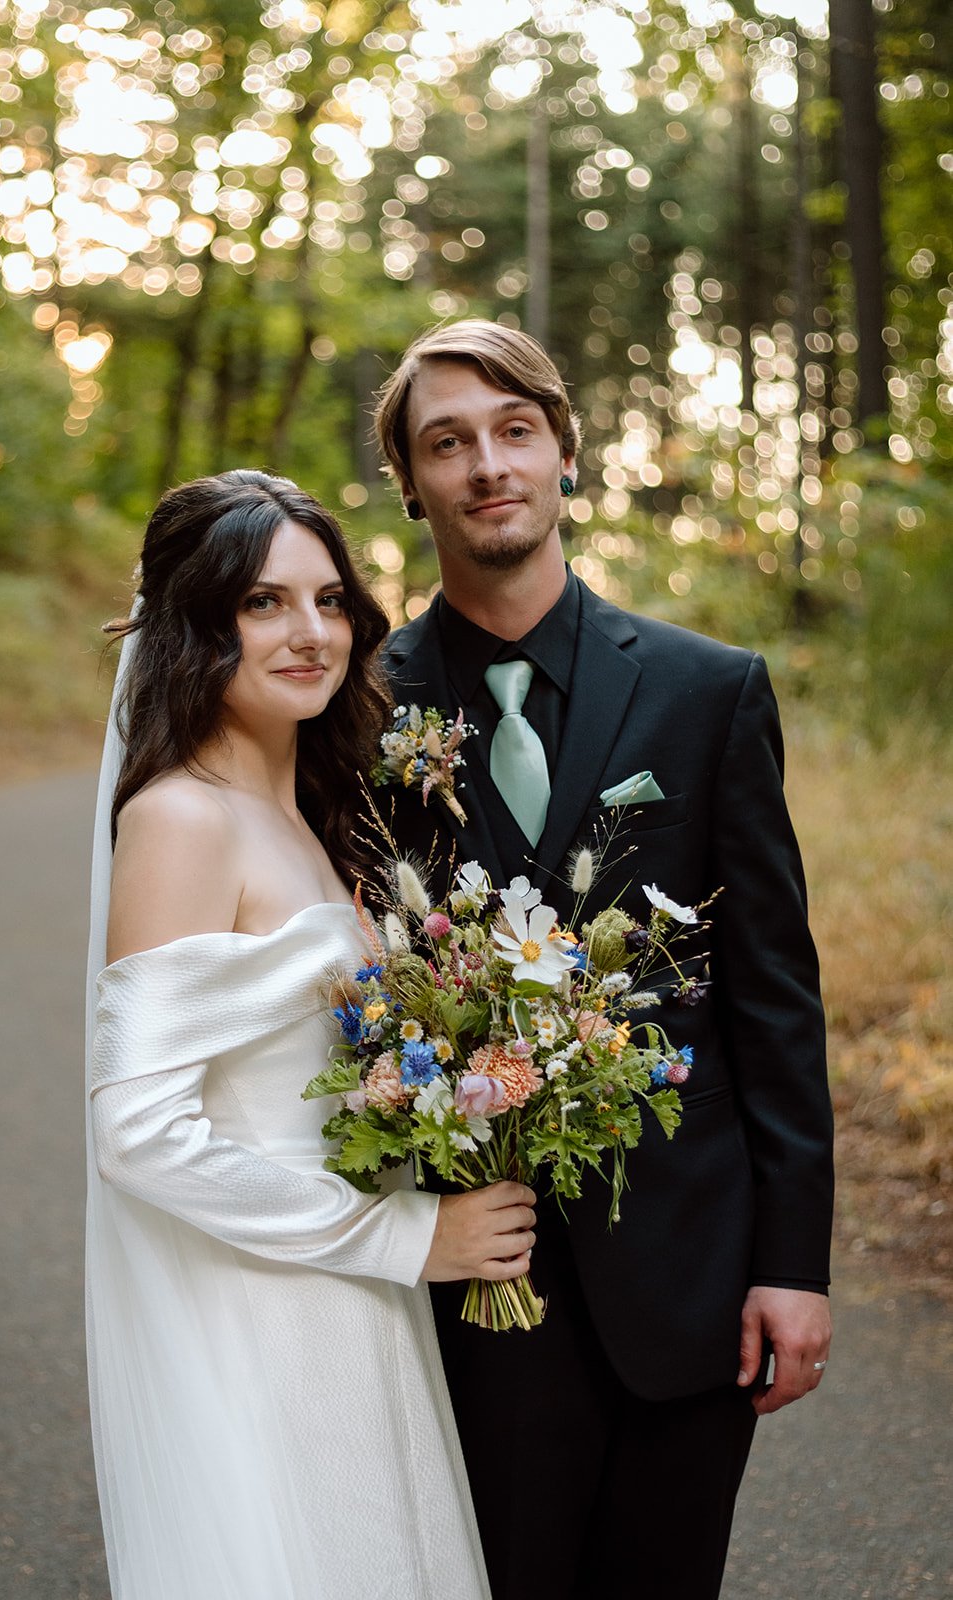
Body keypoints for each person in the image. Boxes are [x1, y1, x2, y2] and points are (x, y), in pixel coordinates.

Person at [372, 321, 835, 1600]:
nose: (485, 465)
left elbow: (773, 999)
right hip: (466, 1293)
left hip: (687, 1274)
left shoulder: (707, 691)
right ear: (413, 487)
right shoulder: (358, 708)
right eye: (446, 443)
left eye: (513, 430)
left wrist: (793, 1263)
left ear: (564, 452)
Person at [83, 467, 537, 1600]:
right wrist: (406, 1240)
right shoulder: (181, 817)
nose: (310, 632)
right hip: (263, 1301)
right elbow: (137, 1134)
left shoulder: (303, 814)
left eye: (329, 599)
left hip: (346, 1294)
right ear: (195, 626)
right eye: (263, 602)